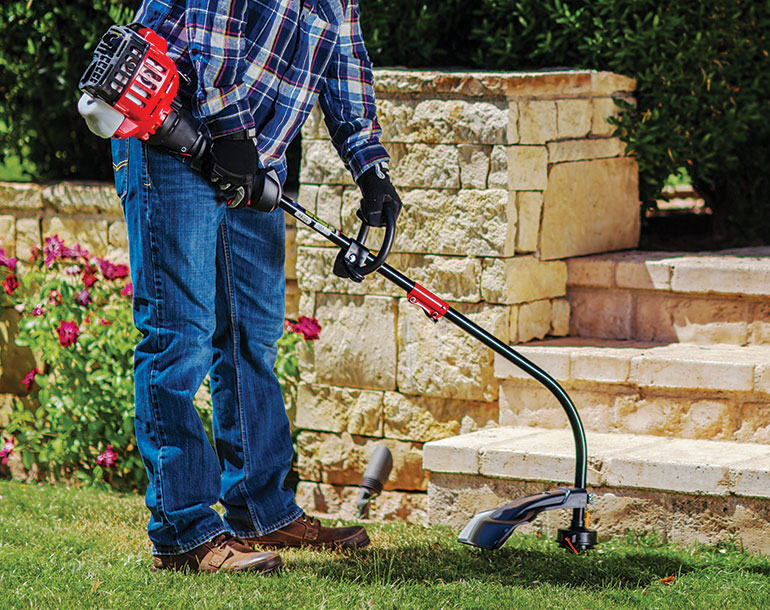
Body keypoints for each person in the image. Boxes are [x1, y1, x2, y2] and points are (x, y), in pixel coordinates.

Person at [111, 0, 402, 574]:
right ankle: (183, 531)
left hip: (250, 159)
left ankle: (262, 511)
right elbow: (211, 30)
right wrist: (232, 135)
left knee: (253, 337)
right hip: (174, 130)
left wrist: (372, 168)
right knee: (180, 335)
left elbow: (346, 68)